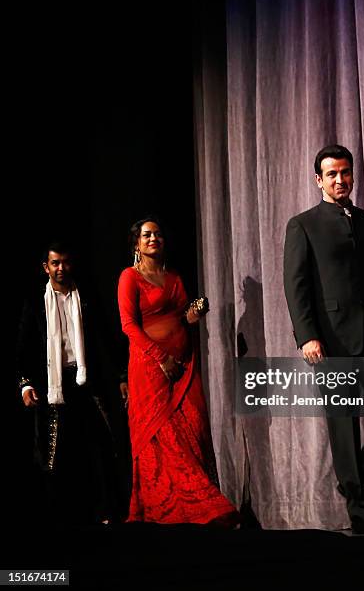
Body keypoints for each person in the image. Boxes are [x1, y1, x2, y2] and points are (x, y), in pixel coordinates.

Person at [283, 145, 364, 535]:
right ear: (319, 180)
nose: (340, 180)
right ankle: (360, 514)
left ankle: (355, 478)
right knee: (344, 424)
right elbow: (297, 287)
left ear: (352, 176)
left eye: (346, 173)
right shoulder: (303, 224)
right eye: (332, 174)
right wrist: (307, 336)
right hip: (332, 341)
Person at [117, 216, 239, 526]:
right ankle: (181, 508)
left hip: (183, 368)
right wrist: (160, 358)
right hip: (150, 369)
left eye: (157, 234)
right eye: (146, 235)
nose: (153, 239)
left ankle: (200, 505)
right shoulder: (129, 277)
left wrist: (195, 313)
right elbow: (129, 326)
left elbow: (184, 318)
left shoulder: (173, 277)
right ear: (136, 244)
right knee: (163, 439)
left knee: (192, 431)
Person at [16, 242, 118, 525]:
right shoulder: (36, 300)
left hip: (84, 380)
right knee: (53, 454)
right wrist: (25, 384)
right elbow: (23, 348)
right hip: (52, 383)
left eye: (65, 263)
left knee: (99, 446)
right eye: (55, 263)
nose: (61, 268)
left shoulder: (84, 296)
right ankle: (57, 517)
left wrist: (120, 377)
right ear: (45, 267)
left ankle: (105, 511)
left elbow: (104, 337)